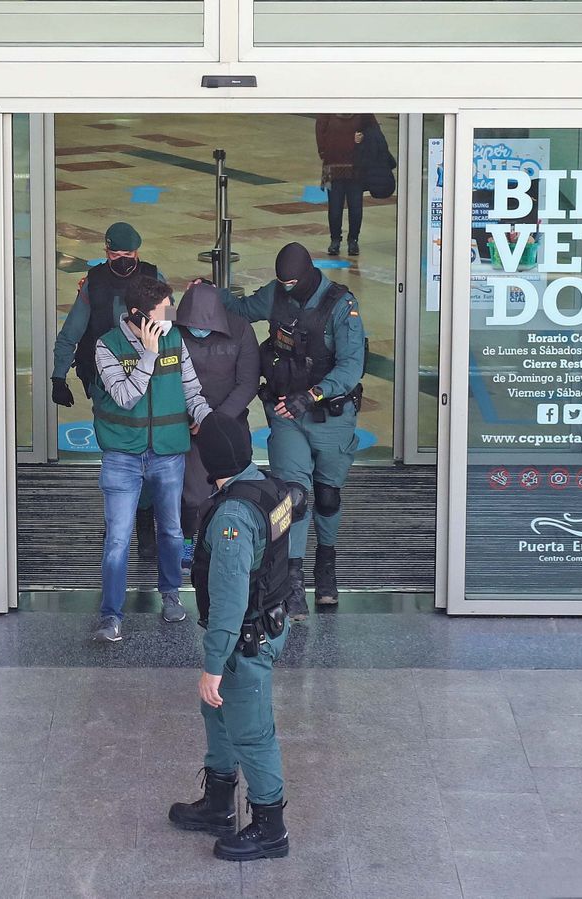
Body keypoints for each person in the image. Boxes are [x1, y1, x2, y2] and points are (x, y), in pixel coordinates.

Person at [167, 412, 299, 861]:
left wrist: (211, 666)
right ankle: (219, 804)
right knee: (218, 716)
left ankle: (270, 828)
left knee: (252, 733)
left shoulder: (233, 520)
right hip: (267, 624)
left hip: (244, 641)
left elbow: (227, 602)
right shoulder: (266, 486)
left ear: (211, 460)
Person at [221, 243, 366, 615]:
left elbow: (350, 368)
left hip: (332, 416)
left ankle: (326, 564)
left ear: (308, 273)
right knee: (294, 497)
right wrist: (209, 292)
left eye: (292, 283)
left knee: (328, 496)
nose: (286, 289)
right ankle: (294, 579)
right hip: (287, 413)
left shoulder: (340, 306)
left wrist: (314, 394)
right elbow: (239, 308)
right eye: (281, 282)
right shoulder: (274, 294)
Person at [91, 277, 213, 642]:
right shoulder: (106, 346)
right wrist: (148, 354)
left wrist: (213, 424)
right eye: (164, 309)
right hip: (122, 456)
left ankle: (171, 594)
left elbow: (191, 389)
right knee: (117, 539)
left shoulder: (175, 339)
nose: (171, 315)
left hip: (167, 452)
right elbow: (125, 396)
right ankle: (110, 616)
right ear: (138, 316)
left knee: (172, 530)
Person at [51, 221, 166, 560]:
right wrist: (59, 375)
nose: (122, 260)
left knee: (145, 451)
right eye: (115, 254)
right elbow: (72, 330)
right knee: (116, 454)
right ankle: (120, 522)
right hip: (103, 382)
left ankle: (143, 523)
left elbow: (170, 326)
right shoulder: (94, 282)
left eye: (127, 254)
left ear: (138, 253)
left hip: (147, 379)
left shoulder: (153, 275)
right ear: (105, 252)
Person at [173, 281, 260, 572]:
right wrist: (190, 418)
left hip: (229, 424)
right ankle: (187, 542)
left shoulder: (240, 330)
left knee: (235, 490)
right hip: (186, 424)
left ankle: (226, 544)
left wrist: (215, 422)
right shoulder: (172, 332)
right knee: (192, 495)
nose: (199, 330)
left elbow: (247, 382)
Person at [315, 113, 379, 257]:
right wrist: (325, 151)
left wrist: (363, 139)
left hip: (356, 166)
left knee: (355, 206)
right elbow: (320, 131)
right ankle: (335, 240)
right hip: (334, 165)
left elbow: (374, 132)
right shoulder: (329, 109)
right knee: (335, 207)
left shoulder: (362, 111)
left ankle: (353, 240)